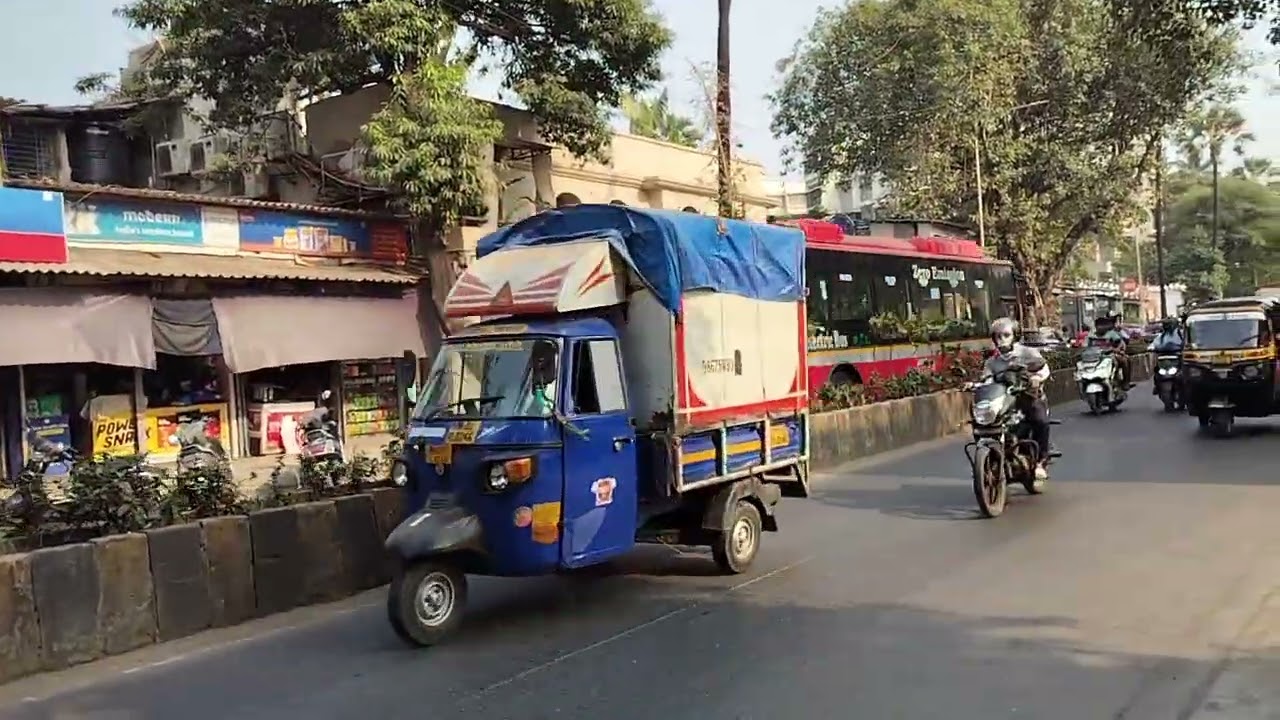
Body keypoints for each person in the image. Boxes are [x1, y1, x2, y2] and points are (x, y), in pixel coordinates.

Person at [981, 317, 1053, 480]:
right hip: (1004, 401)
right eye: (998, 336)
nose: (1002, 340)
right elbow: (987, 379)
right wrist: (976, 385)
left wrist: (1037, 378)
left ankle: (1041, 461)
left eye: (1006, 335)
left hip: (1028, 396)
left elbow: (1044, 368)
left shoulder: (1027, 352)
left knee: (1040, 421)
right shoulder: (992, 361)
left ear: (1015, 336)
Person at [1092, 312, 1132, 387]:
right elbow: (1086, 347)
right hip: (1095, 357)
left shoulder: (1111, 333)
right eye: (1098, 325)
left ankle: (1125, 382)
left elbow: (1121, 343)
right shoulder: (1092, 335)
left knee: (1125, 360)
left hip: (1110, 355)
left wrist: (1117, 350)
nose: (1100, 327)